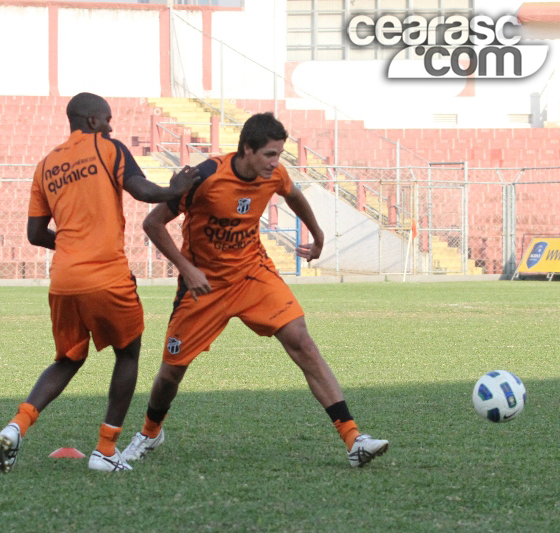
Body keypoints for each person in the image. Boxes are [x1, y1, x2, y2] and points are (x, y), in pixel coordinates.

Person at [122, 112, 389, 468]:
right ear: (247, 149)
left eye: (279, 154)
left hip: (252, 274)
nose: (275, 163)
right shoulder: (205, 177)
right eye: (269, 154)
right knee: (171, 371)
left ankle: (353, 438)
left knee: (302, 341)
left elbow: (292, 194)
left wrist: (318, 233)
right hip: (204, 287)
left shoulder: (274, 174)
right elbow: (153, 223)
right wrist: (187, 269)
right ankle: (150, 432)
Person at [0, 92, 199, 473]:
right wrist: (177, 188)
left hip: (63, 280)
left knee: (68, 358)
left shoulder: (46, 165)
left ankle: (16, 426)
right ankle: (105, 450)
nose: (111, 126)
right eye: (106, 120)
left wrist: (71, 242)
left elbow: (35, 233)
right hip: (106, 276)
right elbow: (143, 192)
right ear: (91, 122)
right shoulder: (108, 149)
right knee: (128, 353)